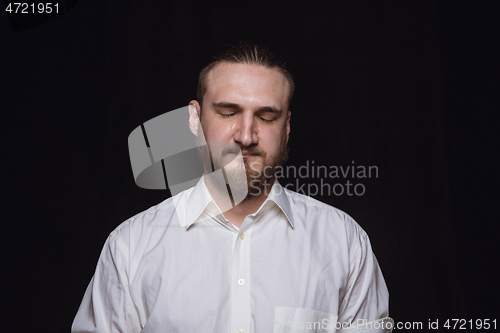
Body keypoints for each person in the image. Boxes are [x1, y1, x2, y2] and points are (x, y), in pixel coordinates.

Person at [72, 41, 393, 333]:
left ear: (288, 127)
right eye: (228, 112)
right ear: (195, 119)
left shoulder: (344, 242)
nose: (246, 135)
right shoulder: (130, 246)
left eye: (267, 117)